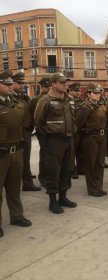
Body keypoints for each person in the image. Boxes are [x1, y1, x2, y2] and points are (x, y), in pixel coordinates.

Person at [34, 73, 77, 214]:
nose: (66, 85)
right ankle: (52, 200)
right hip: (55, 141)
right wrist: (48, 136)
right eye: (62, 82)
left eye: (66, 82)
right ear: (53, 84)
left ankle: (63, 197)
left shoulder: (69, 99)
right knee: (53, 170)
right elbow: (38, 121)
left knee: (68, 168)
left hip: (69, 139)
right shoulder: (45, 100)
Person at [0, 70, 32, 238]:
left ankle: (17, 216)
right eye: (6, 84)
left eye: (10, 84)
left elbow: (24, 123)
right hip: (1, 154)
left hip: (16, 150)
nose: (10, 86)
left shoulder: (16, 102)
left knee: (14, 188)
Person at [75, 84, 107, 197]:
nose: (98, 95)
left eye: (99, 93)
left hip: (102, 137)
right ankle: (92, 188)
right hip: (90, 138)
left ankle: (99, 186)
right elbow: (78, 124)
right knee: (90, 164)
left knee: (100, 163)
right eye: (95, 93)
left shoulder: (102, 105)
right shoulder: (85, 107)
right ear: (89, 94)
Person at [11, 72, 41, 191]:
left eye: (22, 83)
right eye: (19, 83)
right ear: (12, 83)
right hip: (16, 133)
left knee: (26, 157)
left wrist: (31, 125)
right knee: (15, 161)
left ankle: (27, 183)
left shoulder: (24, 97)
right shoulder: (10, 98)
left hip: (27, 132)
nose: (22, 85)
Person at [29, 76, 51, 188]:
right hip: (42, 131)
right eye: (47, 87)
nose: (48, 89)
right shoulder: (38, 100)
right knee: (45, 154)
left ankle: (47, 176)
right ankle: (43, 178)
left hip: (49, 131)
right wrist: (40, 128)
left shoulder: (50, 98)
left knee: (48, 154)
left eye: (49, 86)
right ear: (43, 87)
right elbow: (34, 116)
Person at [68, 82, 84, 179]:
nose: (78, 92)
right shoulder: (68, 100)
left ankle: (81, 168)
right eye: (76, 91)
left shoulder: (80, 101)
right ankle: (72, 170)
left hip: (80, 129)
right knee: (72, 152)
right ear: (70, 91)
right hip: (72, 129)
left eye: (79, 90)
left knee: (80, 150)